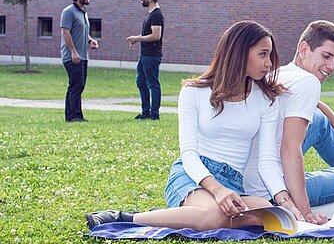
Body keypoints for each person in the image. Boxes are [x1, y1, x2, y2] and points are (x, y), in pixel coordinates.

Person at [85, 21, 280, 231]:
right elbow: (188, 154)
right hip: (194, 175)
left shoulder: (266, 99)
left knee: (267, 212)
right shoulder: (194, 91)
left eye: (270, 55)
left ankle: (179, 216)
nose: (269, 63)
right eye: (263, 54)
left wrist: (286, 201)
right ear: (239, 52)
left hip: (233, 183)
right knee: (212, 216)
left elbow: (267, 160)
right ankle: (124, 217)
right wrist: (216, 190)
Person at [247, 20, 334, 225]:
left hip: (253, 179)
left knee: (318, 120)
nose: (331, 66)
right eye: (326, 56)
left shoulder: (281, 74)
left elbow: (319, 107)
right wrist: (305, 212)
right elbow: (290, 150)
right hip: (274, 191)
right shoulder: (308, 83)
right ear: (303, 49)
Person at [60, 0, 99, 122]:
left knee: (76, 85)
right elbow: (66, 33)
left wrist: (90, 41)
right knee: (77, 85)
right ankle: (76, 116)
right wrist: (73, 52)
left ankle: (71, 116)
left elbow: (81, 31)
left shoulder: (83, 12)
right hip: (73, 56)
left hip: (83, 55)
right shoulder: (68, 12)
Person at [126, 0, 164, 120]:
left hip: (152, 56)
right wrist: (137, 39)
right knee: (141, 83)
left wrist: (137, 38)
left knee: (153, 84)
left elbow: (156, 36)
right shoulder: (150, 14)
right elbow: (148, 34)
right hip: (145, 55)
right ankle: (145, 112)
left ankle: (154, 114)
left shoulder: (156, 15)